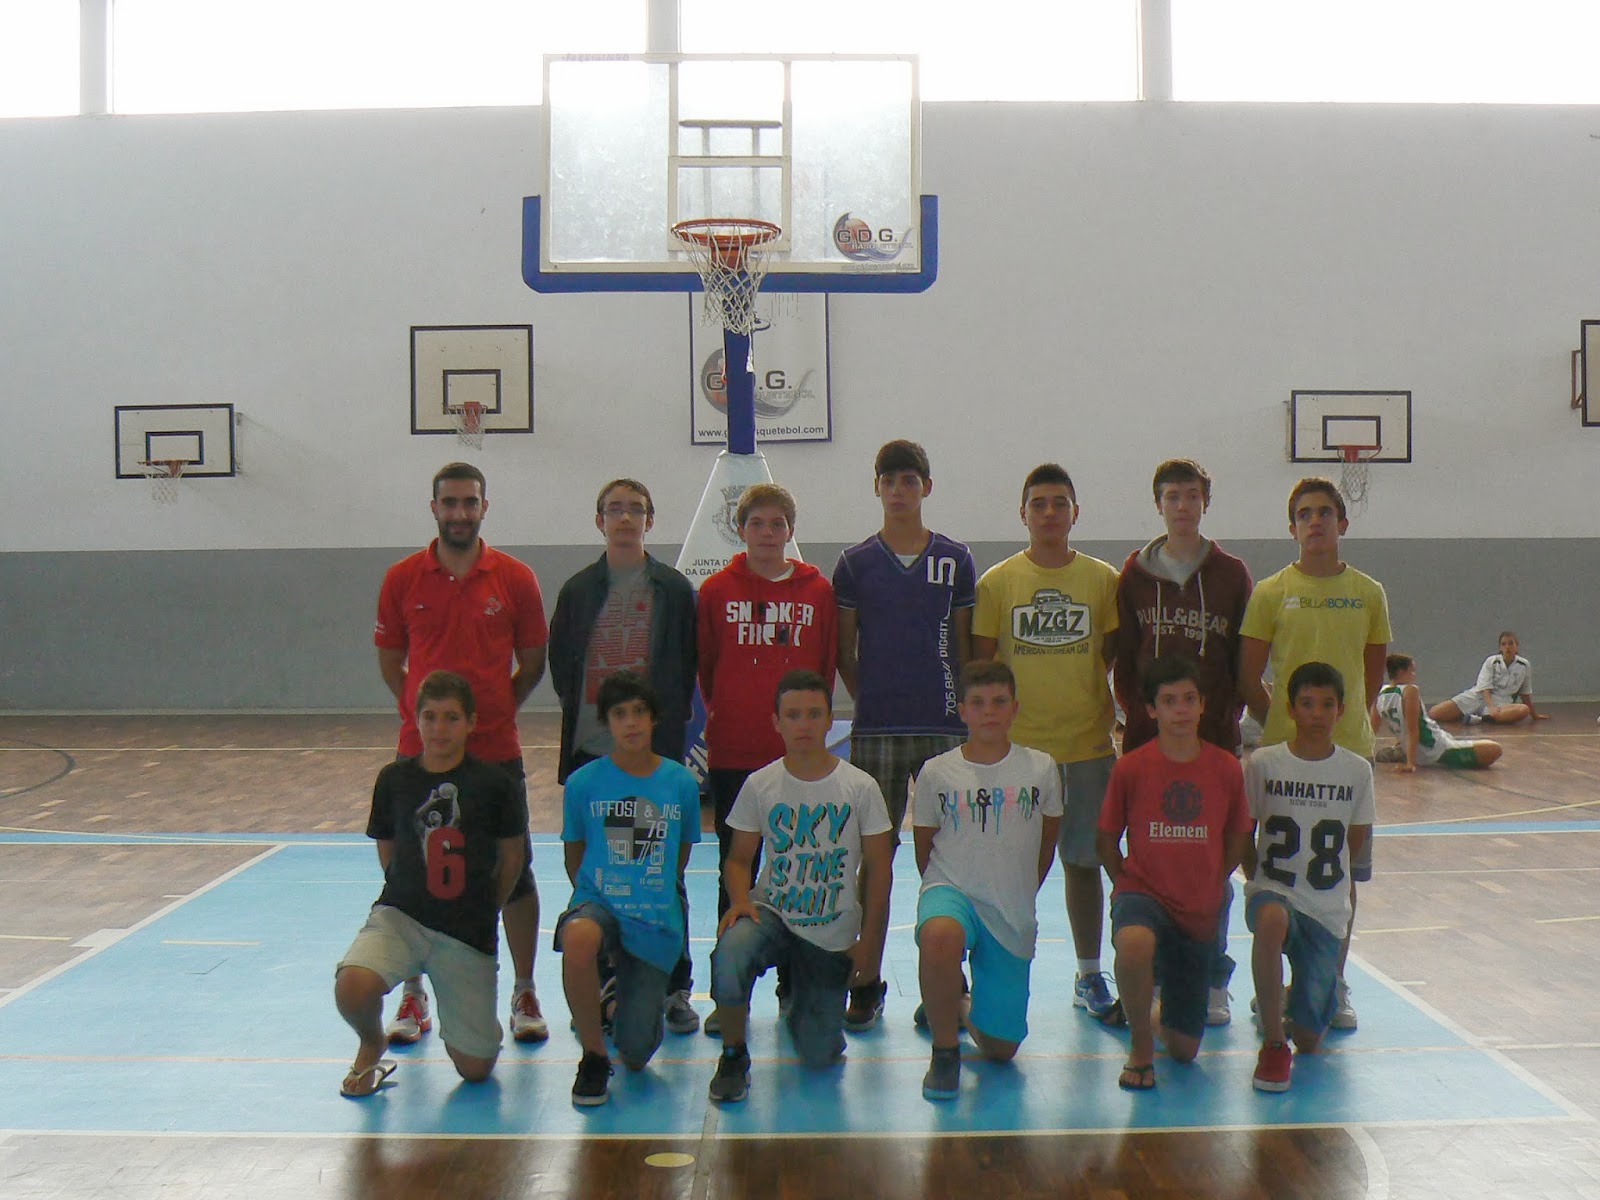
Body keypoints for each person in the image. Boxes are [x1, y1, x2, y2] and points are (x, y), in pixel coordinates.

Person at [374, 462, 550, 1045]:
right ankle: (413, 992)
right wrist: (422, 719)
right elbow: (391, 660)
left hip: (496, 752)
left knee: (514, 871)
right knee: (411, 873)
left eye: (469, 502)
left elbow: (532, 661)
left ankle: (524, 989)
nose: (459, 512)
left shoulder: (516, 578)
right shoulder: (402, 578)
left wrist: (494, 710)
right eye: (449, 502)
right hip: (420, 757)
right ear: (434, 508)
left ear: (483, 507)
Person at [833, 439, 976, 1028]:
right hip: (879, 729)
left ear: (926, 487)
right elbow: (845, 650)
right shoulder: (855, 563)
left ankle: (949, 978)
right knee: (874, 857)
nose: (899, 490)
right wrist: (871, 698)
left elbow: (965, 648)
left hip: (944, 725)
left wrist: (962, 709)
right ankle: (865, 978)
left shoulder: (955, 559)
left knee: (950, 857)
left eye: (909, 480)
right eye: (889, 480)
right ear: (877, 488)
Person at [548, 478, 700, 1034]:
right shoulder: (578, 590)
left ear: (649, 521)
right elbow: (563, 664)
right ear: (600, 520)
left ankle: (674, 984)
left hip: (653, 759)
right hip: (595, 751)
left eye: (636, 510)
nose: (625, 518)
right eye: (615, 509)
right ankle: (606, 979)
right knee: (601, 871)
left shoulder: (674, 590)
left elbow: (686, 664)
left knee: (664, 875)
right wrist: (594, 724)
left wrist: (662, 736)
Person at [1239, 476, 1391, 1032]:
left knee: (1339, 871)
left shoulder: (1369, 592)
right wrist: (1283, 724)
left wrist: (1340, 726)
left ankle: (1332, 979)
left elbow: (1371, 676)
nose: (1315, 521)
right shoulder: (1270, 592)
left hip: (1347, 752)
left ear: (1342, 523)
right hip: (1284, 753)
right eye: (1304, 514)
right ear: (1292, 527)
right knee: (1277, 871)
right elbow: (1248, 674)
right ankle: (1274, 985)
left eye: (1325, 512)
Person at [972, 462, 1121, 1022]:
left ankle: (1089, 973)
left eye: (1060, 503)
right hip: (1020, 755)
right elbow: (982, 668)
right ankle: (988, 972)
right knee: (1007, 870)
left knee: (1083, 864)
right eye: (1039, 503)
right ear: (1023, 513)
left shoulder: (1103, 580)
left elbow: (1110, 656)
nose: (1050, 512)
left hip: (1086, 749)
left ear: (1076, 512)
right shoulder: (998, 582)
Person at [334, 671, 527, 1098]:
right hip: (402, 917)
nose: (440, 728)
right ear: (415, 720)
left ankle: (470, 1019)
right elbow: (388, 846)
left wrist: (486, 908)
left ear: (471, 722)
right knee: (352, 985)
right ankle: (371, 1043)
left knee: (475, 1068)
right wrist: (406, 890)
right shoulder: (394, 779)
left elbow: (512, 855)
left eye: (452, 718)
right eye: (431, 717)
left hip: (466, 931)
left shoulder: (495, 784)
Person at [706, 670, 893, 1103]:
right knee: (731, 954)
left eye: (813, 714)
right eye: (792, 715)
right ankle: (733, 1056)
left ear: (830, 720)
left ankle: (801, 997)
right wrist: (739, 901)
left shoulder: (860, 787)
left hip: (830, 930)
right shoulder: (761, 784)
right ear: (776, 722)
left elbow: (880, 870)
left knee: (819, 1054)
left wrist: (869, 944)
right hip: (771, 913)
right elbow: (738, 859)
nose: (803, 724)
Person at [1113, 457, 1253, 1027]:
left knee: (1210, 863)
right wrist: (1139, 715)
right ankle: (1155, 973)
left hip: (1211, 742)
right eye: (1172, 496)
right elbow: (1125, 657)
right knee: (1153, 857)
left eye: (1192, 495)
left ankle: (1211, 975)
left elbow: (1241, 657)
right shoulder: (1134, 574)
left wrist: (1222, 721)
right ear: (1159, 504)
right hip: (1149, 744)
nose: (1182, 505)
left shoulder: (1231, 574)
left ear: (1204, 503)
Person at [696, 483, 838, 1033]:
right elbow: (708, 666)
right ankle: (729, 995)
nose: (767, 533)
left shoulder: (817, 591)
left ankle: (792, 986)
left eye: (777, 523)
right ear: (741, 530)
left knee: (797, 868)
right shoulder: (716, 591)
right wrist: (733, 710)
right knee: (735, 868)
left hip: (798, 755)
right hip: (735, 750)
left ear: (790, 531)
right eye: (757, 523)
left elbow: (824, 665)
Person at [1096, 655, 1252, 1091]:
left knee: (1184, 1049)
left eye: (1188, 699)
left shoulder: (1225, 768)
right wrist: (1126, 885)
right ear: (1150, 710)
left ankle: (1151, 1011)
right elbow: (1106, 840)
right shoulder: (1130, 768)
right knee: (1133, 942)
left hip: (1198, 908)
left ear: (1203, 705)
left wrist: (1213, 880)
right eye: (1169, 701)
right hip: (1143, 894)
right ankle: (1140, 1049)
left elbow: (1239, 837)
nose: (1180, 709)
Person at [911, 660, 1062, 1101]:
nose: (989, 711)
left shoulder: (1041, 769)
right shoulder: (937, 772)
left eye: (999, 702)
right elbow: (925, 848)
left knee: (1000, 1050)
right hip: (952, 890)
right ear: (962, 710)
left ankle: (956, 1003)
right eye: (977, 703)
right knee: (939, 933)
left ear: (1015, 708)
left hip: (1010, 910)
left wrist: (1020, 891)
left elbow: (1047, 842)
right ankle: (944, 1051)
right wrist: (941, 893)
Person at [555, 671, 702, 1106]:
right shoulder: (583, 783)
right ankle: (593, 1056)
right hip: (600, 903)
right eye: (620, 714)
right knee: (578, 936)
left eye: (639, 712)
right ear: (607, 722)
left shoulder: (679, 783)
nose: (631, 722)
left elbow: (678, 858)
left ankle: (616, 999)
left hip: (653, 917)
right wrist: (600, 896)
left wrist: (644, 890)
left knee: (636, 1054)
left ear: (654, 719)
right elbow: (575, 855)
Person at [1244, 662, 1375, 1092]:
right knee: (1271, 918)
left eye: (1326, 704)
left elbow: (1353, 844)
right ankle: (1273, 1043)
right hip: (1275, 891)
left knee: (1310, 1040)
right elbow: (1244, 831)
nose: (1317, 713)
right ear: (1290, 708)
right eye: (1307, 703)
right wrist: (1257, 879)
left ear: (1341, 710)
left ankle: (1292, 999)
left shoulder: (1356, 771)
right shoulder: (1264, 763)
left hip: (1324, 907)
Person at [1373, 654, 1504, 770]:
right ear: (1402, 672)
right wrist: (1410, 763)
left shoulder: (1380, 692)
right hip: (1434, 748)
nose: (1414, 675)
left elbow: (1373, 726)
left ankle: (1401, 749)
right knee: (1494, 749)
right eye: (1412, 671)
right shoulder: (1409, 690)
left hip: (1418, 749)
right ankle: (1404, 753)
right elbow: (1413, 729)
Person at [1428, 631, 1549, 726]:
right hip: (1478, 697)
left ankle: (1480, 719)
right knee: (1435, 713)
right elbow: (1485, 688)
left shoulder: (1524, 665)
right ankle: (1469, 715)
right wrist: (1491, 706)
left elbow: (1525, 693)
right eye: (1504, 644)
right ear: (1500, 648)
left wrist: (1534, 715)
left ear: (1517, 646)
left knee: (1523, 710)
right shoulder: (1491, 661)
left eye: (1511, 643)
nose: (1507, 647)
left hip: (1502, 703)